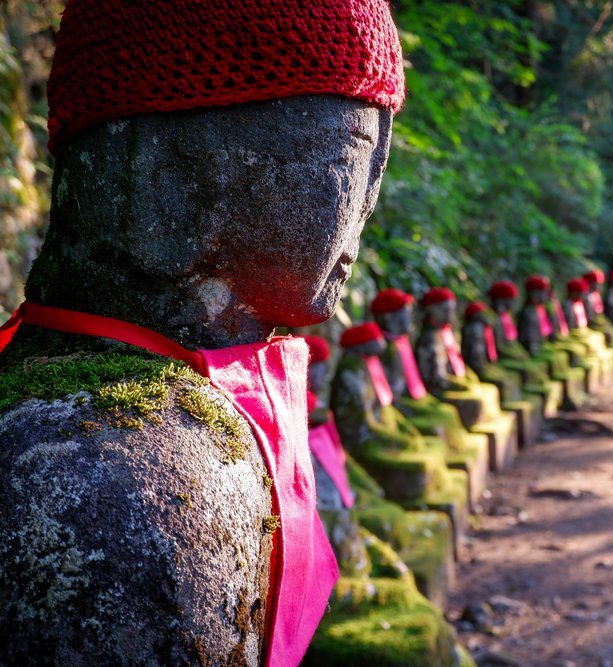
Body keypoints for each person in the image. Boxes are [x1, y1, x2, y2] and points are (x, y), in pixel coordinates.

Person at [0, 1, 403, 664]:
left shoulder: (169, 417)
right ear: (165, 179)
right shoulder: (105, 482)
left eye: (377, 170)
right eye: (346, 160)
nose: (365, 205)